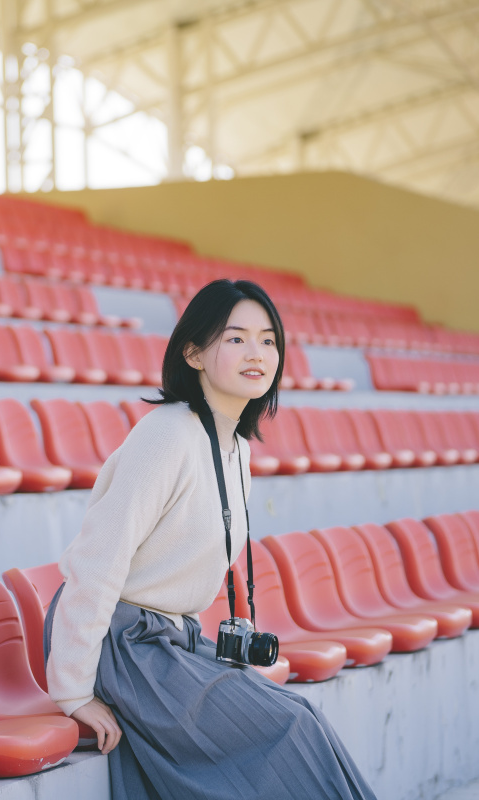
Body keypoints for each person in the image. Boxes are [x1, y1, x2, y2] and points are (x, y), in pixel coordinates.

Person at [43, 279, 378, 800]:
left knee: (298, 713)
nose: (257, 353)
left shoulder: (236, 449)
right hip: (125, 642)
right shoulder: (166, 434)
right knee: (289, 728)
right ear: (194, 353)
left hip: (172, 639)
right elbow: (97, 560)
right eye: (236, 338)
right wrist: (73, 691)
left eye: (268, 340)